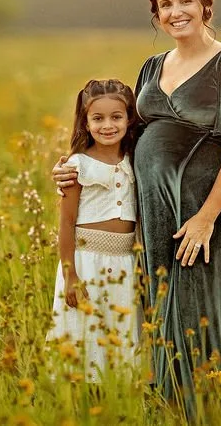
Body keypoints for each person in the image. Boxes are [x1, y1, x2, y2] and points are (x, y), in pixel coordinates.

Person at [53, 0, 221, 419]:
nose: (176, 12)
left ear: (205, 5)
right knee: (160, 303)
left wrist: (206, 218)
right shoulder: (152, 67)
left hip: (206, 212)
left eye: (185, 1)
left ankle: (213, 407)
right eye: (165, 4)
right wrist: (73, 167)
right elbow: (122, 139)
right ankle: (167, 405)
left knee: (203, 305)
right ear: (155, 15)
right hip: (153, 214)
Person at [47, 78, 143, 383]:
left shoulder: (135, 160)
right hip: (87, 262)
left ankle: (118, 401)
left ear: (129, 119)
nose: (107, 126)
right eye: (97, 118)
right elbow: (66, 223)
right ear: (85, 123)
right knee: (85, 337)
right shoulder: (77, 165)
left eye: (116, 117)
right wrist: (70, 275)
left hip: (125, 263)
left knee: (119, 333)